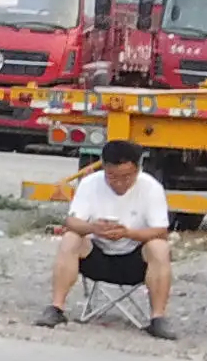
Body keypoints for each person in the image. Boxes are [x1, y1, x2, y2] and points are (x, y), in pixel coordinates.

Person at [38, 137, 177, 338]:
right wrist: (93, 227)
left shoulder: (151, 187)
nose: (119, 183)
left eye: (127, 177)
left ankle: (158, 318)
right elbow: (71, 222)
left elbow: (161, 230)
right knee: (71, 238)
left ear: (138, 170)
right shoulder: (90, 183)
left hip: (134, 259)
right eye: (112, 177)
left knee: (160, 247)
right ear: (104, 168)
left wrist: (128, 233)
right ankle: (56, 308)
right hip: (97, 256)